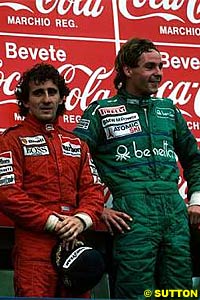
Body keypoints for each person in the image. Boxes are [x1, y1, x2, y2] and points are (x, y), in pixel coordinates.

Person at [74, 37, 200, 299]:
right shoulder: (101, 111)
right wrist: (98, 208)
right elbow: (75, 161)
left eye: (161, 66)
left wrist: (196, 200)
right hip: (131, 215)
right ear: (128, 70)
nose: (159, 74)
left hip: (174, 212)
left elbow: (193, 158)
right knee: (136, 293)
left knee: (178, 292)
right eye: (150, 67)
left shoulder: (169, 110)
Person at [0, 63, 105, 298]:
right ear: (25, 102)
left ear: (61, 98)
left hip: (75, 244)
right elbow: (7, 193)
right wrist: (54, 223)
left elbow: (94, 190)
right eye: (38, 93)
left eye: (52, 92)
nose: (46, 99)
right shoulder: (11, 140)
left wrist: (80, 220)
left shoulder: (78, 144)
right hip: (34, 247)